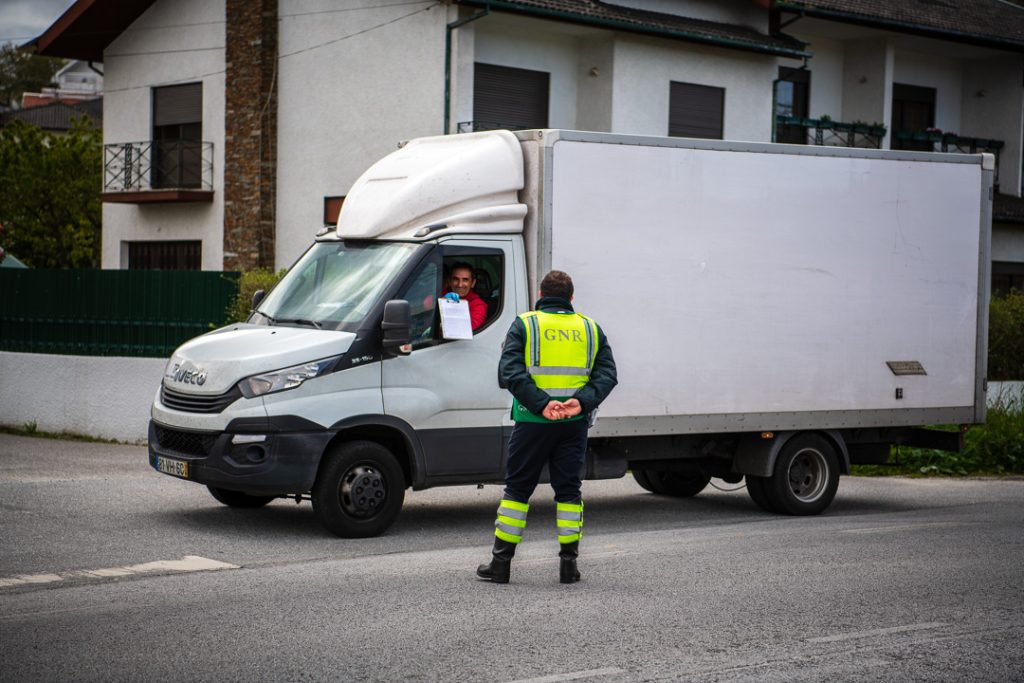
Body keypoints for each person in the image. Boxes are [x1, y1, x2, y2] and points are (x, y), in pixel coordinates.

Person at [476, 270, 617, 584]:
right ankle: (569, 566)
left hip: (531, 421)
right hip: (573, 423)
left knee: (517, 491)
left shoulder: (525, 324)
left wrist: (542, 404)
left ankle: (501, 565)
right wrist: (581, 402)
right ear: (571, 298)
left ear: (541, 295)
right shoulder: (590, 328)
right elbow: (607, 375)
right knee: (569, 491)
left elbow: (509, 373)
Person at [441, 262, 488, 331]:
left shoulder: (478, 305)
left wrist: (449, 308)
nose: (460, 285)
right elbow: (425, 305)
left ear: (472, 283)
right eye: (456, 279)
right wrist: (441, 301)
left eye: (465, 280)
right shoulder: (444, 293)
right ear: (450, 281)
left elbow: (469, 329)